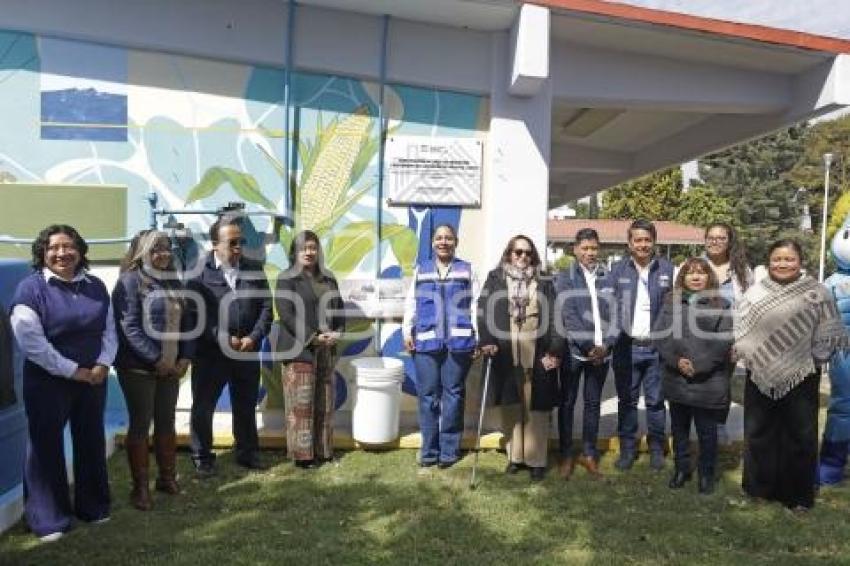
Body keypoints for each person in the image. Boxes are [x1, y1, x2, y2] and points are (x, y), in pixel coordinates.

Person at [9, 224, 117, 541]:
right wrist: (74, 371)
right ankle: (48, 520)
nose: (61, 253)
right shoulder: (30, 290)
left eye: (68, 246)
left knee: (91, 442)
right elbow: (31, 342)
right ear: (42, 253)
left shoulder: (96, 286)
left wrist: (101, 364)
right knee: (45, 448)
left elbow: (109, 330)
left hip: (93, 379)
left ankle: (93, 508)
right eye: (53, 247)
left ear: (80, 251)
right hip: (48, 381)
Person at [735, 240, 848, 511]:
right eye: (777, 259)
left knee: (799, 436)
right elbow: (741, 327)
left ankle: (797, 496)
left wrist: (815, 359)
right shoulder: (755, 292)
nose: (782, 264)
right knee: (759, 433)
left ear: (800, 262)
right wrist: (749, 353)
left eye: (789, 259)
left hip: (803, 372)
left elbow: (829, 329)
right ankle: (759, 489)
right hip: (759, 370)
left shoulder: (817, 292)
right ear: (769, 261)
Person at [112, 230, 194, 510]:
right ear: (142, 252)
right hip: (138, 369)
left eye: (167, 248)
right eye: (156, 249)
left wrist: (185, 358)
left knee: (166, 422)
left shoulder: (173, 281)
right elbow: (129, 327)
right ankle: (140, 489)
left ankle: (167, 478)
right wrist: (155, 359)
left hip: (171, 368)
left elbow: (188, 323)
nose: (164, 254)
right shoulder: (129, 282)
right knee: (140, 423)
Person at [188, 216, 273, 475]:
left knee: (245, 404)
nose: (238, 248)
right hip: (211, 354)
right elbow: (196, 314)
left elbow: (267, 308)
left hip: (246, 351)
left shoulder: (254, 269)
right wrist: (223, 338)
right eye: (232, 242)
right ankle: (202, 457)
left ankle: (247, 452)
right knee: (204, 406)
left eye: (241, 242)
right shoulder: (198, 273)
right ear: (216, 244)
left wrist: (254, 337)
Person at [478, 235, 562, 481]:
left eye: (527, 253)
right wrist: (487, 341)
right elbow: (482, 312)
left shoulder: (544, 281)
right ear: (509, 254)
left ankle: (536, 460)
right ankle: (515, 457)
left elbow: (556, 316)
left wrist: (555, 349)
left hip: (537, 351)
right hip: (505, 352)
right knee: (512, 407)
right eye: (518, 252)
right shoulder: (495, 278)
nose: (523, 257)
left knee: (536, 408)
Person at [652, 257, 733, 495]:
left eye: (701, 273)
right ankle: (681, 469)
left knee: (707, 431)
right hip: (676, 377)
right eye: (690, 273)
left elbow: (724, 339)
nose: (696, 277)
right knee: (679, 429)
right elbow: (659, 335)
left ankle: (706, 474)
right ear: (682, 278)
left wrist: (700, 365)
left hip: (707, 379)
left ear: (709, 277)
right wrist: (676, 361)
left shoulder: (722, 305)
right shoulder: (671, 302)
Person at [403, 224, 476, 469]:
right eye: (439, 238)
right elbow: (410, 303)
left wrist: (479, 335)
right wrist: (406, 330)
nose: (443, 242)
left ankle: (448, 452)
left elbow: (476, 305)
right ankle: (429, 451)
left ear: (456, 241)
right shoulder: (421, 270)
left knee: (453, 395)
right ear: (433, 243)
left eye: (448, 238)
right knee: (428, 397)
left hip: (459, 341)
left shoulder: (467, 269)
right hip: (426, 340)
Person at [275, 231, 344, 468]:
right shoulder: (286, 278)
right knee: (301, 406)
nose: (308, 252)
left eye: (313, 247)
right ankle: (303, 456)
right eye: (303, 248)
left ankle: (324, 450)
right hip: (299, 349)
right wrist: (313, 337)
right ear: (294, 252)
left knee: (324, 403)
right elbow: (286, 314)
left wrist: (338, 332)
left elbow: (339, 310)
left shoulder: (328, 278)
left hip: (326, 349)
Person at [610, 219, 674, 471]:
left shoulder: (668, 270)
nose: (643, 245)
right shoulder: (617, 271)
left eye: (647, 240)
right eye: (638, 240)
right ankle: (628, 448)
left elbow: (676, 309)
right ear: (629, 243)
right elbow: (607, 308)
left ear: (654, 242)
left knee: (656, 402)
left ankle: (657, 449)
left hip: (657, 349)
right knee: (627, 400)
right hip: (626, 347)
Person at [555, 228, 617, 479]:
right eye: (585, 248)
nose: (590, 253)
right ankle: (567, 454)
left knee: (593, 404)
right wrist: (589, 346)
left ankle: (589, 453)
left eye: (594, 248)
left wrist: (607, 345)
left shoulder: (608, 277)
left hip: (602, 355)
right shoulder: (565, 277)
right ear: (576, 249)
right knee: (567, 404)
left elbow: (618, 314)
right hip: (575, 353)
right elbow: (568, 316)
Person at [702, 223, 753, 306]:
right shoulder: (692, 267)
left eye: (721, 238)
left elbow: (749, 301)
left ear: (729, 241)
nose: (715, 242)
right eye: (710, 238)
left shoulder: (742, 270)